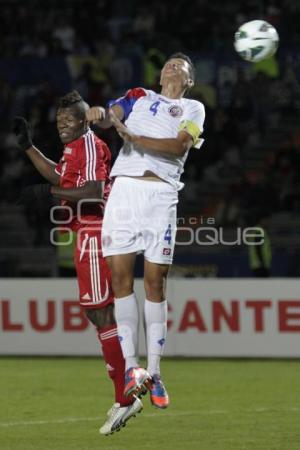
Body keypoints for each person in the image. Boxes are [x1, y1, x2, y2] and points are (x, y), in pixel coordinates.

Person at [12, 90, 143, 435]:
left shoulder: (87, 143)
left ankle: (126, 394)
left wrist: (47, 195)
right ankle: (126, 386)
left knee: (101, 312)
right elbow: (62, 178)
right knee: (97, 313)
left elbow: (94, 192)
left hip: (96, 230)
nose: (62, 125)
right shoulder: (76, 148)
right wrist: (28, 147)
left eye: (70, 119)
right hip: (88, 231)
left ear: (85, 120)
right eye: (59, 121)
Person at [86, 53, 205, 408]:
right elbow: (112, 117)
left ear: (189, 79)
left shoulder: (193, 108)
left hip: (161, 195)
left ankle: (155, 372)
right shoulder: (139, 95)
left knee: (155, 283)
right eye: (168, 63)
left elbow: (178, 146)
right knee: (120, 282)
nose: (172, 66)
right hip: (123, 192)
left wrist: (134, 138)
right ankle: (131, 368)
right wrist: (99, 115)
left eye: (180, 65)